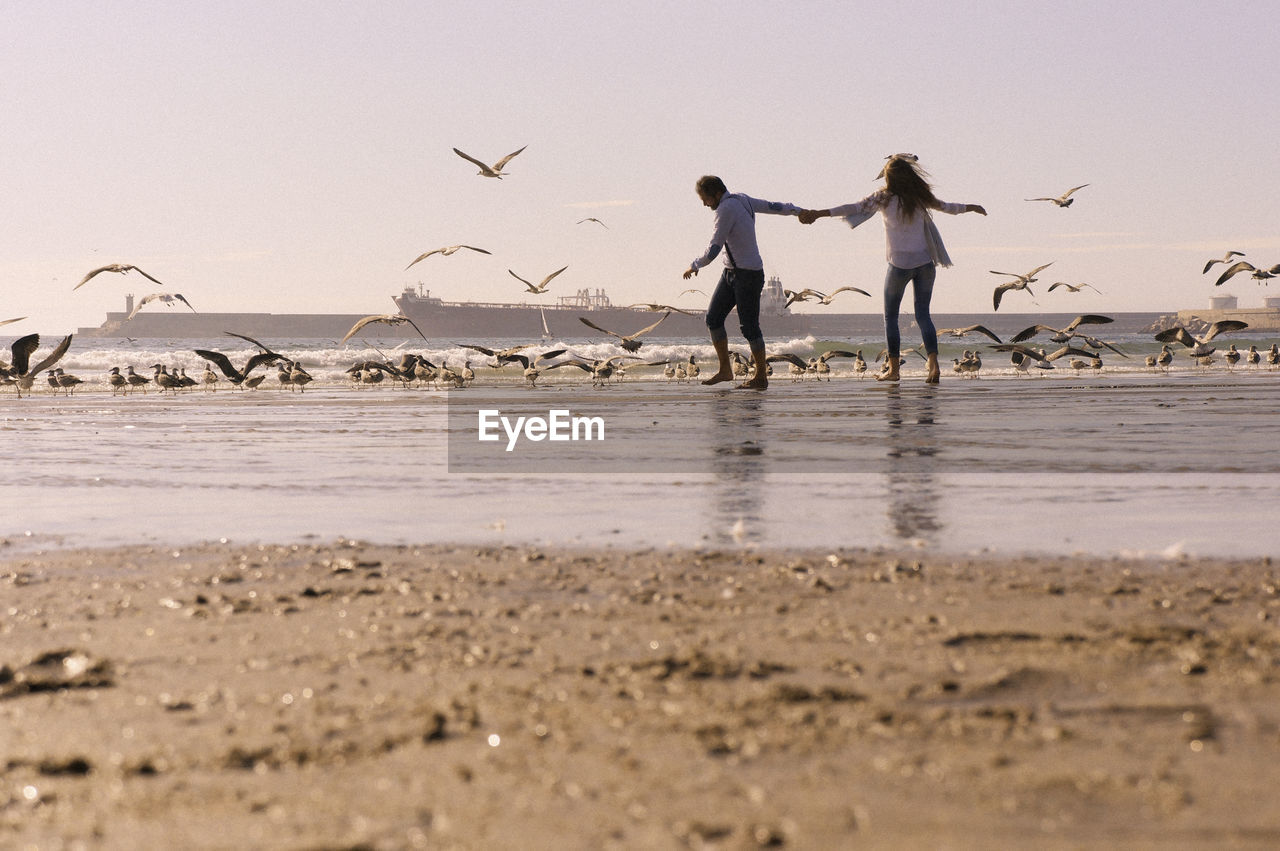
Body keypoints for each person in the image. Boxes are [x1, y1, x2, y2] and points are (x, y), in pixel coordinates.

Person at [798, 154, 986, 383]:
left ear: (889, 178)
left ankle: (894, 370)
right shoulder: (919, 196)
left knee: (891, 317)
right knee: (923, 315)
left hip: (899, 265)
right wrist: (971, 207)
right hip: (925, 264)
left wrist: (819, 213)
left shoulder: (884, 197)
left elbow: (852, 207)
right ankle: (934, 366)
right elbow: (947, 207)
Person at [683, 175, 805, 390]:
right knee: (713, 318)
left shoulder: (726, 209)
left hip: (747, 275)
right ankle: (725, 370)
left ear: (717, 194)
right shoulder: (743, 199)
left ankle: (761, 376)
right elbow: (774, 206)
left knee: (749, 327)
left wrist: (695, 265)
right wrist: (796, 210)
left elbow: (714, 247)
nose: (704, 204)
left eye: (705, 199)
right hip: (730, 272)